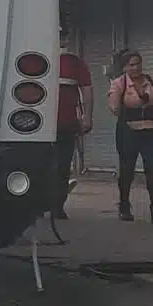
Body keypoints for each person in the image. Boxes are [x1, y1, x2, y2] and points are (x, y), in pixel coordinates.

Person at [107, 51, 153, 223]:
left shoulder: (150, 81)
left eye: (137, 63)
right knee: (127, 169)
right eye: (131, 64)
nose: (135, 68)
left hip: (152, 130)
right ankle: (124, 205)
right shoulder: (119, 83)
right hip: (129, 132)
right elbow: (114, 109)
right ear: (124, 67)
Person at [55, 34, 93, 219]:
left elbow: (86, 89)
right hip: (35, 126)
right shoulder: (35, 56)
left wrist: (86, 117)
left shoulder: (75, 63)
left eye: (64, 37)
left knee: (62, 166)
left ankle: (57, 205)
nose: (63, 41)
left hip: (66, 124)